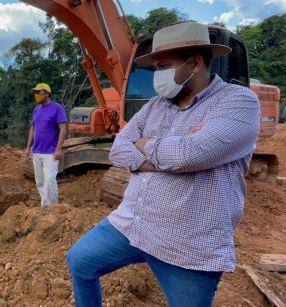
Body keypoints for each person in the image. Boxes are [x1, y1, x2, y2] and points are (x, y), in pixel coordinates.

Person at [67, 22, 260, 307]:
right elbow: (118, 151)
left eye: (163, 66)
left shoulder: (238, 102)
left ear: (194, 63)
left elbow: (190, 155)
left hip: (187, 244)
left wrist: (147, 144)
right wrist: (177, 147)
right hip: (133, 225)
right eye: (155, 68)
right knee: (80, 261)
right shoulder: (155, 105)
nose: (157, 76)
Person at [25, 83, 67, 207]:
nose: (37, 95)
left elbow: (63, 128)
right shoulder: (36, 109)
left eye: (39, 92)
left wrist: (59, 149)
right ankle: (45, 205)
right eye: (35, 93)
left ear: (47, 93)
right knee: (40, 181)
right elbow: (33, 129)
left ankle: (53, 207)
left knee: (49, 180)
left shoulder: (57, 108)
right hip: (36, 151)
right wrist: (28, 147)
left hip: (50, 152)